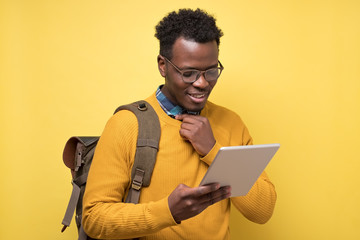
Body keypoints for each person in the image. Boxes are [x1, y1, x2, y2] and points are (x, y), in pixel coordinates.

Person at [82, 8, 276, 240]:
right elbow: (93, 218)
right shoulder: (126, 124)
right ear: (163, 65)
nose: (202, 83)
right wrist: (168, 212)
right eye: (188, 73)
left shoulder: (231, 123)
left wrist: (213, 151)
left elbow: (262, 211)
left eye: (211, 71)